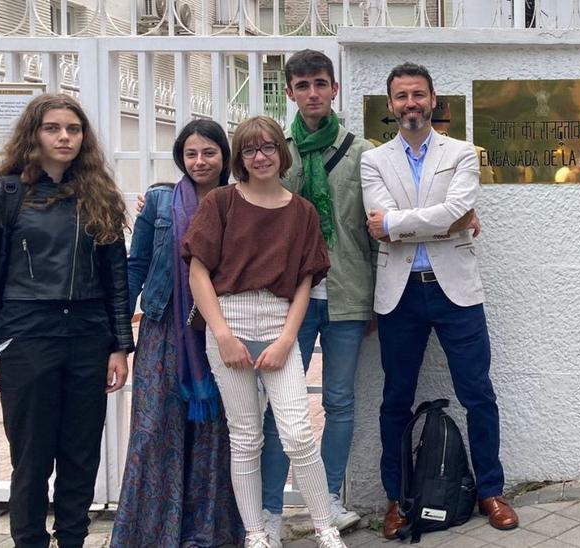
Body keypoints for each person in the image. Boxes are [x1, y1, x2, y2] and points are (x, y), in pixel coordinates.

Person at [0, 93, 133, 548]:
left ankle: (73, 539)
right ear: (33, 134)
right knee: (32, 458)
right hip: (26, 336)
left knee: (80, 455)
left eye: (73, 129)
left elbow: (117, 279)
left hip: (88, 336)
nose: (64, 137)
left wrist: (120, 345)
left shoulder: (100, 195)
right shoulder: (3, 194)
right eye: (53, 128)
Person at [361, 62, 518, 539]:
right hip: (399, 293)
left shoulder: (464, 153)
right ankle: (397, 499)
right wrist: (444, 220)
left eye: (418, 95)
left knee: (479, 394)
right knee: (395, 400)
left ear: (434, 101)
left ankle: (490, 490)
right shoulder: (374, 160)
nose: (411, 103)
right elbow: (435, 215)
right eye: (402, 96)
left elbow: (452, 210)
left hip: (456, 292)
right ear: (390, 106)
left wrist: (395, 225)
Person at [182, 115, 344, 548]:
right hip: (228, 323)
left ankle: (324, 526)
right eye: (250, 149)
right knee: (245, 436)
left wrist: (287, 339)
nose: (260, 156)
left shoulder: (302, 211)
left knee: (297, 432)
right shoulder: (220, 203)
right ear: (240, 157)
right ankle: (255, 532)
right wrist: (222, 335)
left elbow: (307, 280)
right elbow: (198, 273)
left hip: (280, 325)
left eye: (268, 147)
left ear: (281, 151)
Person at [257, 48, 375, 542]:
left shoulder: (363, 151)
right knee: (280, 405)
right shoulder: (275, 152)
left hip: (347, 291)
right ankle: (267, 509)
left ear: (334, 88)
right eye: (302, 85)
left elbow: (372, 228)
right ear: (289, 92)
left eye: (320, 83)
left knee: (341, 401)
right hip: (290, 299)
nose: (312, 93)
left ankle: (326, 497)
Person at [112, 119, 244, 547]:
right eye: (191, 153)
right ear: (180, 158)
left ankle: (207, 532)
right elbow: (137, 264)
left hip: (220, 326)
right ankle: (150, 533)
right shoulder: (159, 201)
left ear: (224, 155)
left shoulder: (239, 200)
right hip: (163, 326)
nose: (200, 161)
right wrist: (116, 332)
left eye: (209, 152)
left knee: (213, 433)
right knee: (155, 430)